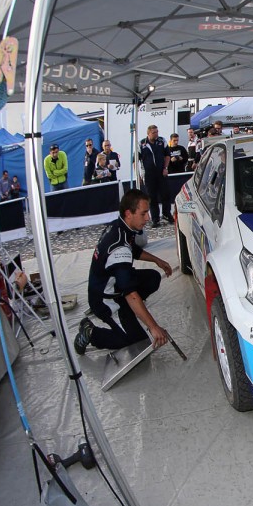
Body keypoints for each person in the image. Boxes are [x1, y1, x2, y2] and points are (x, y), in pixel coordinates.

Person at [73, 189, 172, 355]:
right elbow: (130, 292)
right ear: (129, 213)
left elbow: (132, 249)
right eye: (144, 213)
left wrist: (157, 260)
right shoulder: (118, 249)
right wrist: (153, 327)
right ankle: (91, 332)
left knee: (153, 278)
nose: (148, 218)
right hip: (104, 299)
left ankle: (130, 310)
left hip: (113, 284)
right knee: (136, 341)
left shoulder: (120, 226)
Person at [139, 124, 172, 227]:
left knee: (165, 194)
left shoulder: (162, 141)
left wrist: (165, 168)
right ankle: (155, 219)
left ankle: (166, 214)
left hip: (161, 173)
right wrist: (139, 174)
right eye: (154, 132)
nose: (156, 134)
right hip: (149, 175)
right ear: (148, 133)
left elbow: (167, 155)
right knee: (152, 197)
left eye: (157, 132)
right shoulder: (142, 144)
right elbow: (136, 160)